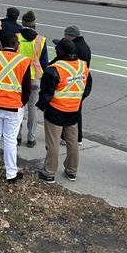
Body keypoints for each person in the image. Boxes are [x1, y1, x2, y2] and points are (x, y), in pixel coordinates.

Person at [37, 39, 91, 184]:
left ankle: (49, 173)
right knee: (72, 142)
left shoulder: (55, 68)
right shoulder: (83, 65)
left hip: (56, 110)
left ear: (61, 51)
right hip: (74, 110)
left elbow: (46, 92)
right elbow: (87, 87)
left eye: (57, 48)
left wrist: (42, 106)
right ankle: (71, 171)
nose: (55, 49)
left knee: (53, 142)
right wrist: (77, 100)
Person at [0, 32, 31, 183]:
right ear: (16, 45)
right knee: (10, 140)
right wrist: (22, 102)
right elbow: (27, 88)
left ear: (2, 44)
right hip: (14, 107)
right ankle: (11, 174)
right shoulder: (23, 61)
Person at [17, 11, 49, 148]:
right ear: (34, 24)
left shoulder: (16, 37)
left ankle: (17, 136)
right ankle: (31, 138)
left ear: (23, 23)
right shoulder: (41, 40)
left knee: (19, 108)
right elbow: (44, 62)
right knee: (32, 109)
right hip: (35, 78)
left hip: (19, 78)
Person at [61, 25, 91, 145]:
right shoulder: (85, 46)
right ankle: (76, 137)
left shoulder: (75, 47)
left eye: (65, 35)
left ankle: (74, 138)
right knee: (77, 110)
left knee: (72, 111)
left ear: (70, 36)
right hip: (82, 81)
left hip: (75, 82)